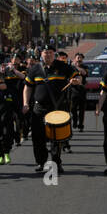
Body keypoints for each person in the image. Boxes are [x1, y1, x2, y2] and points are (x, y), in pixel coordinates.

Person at [23, 44, 78, 174]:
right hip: (39, 108)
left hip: (57, 108)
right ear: (41, 54)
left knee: (56, 137)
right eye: (45, 52)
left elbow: (76, 76)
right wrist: (25, 103)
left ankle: (56, 163)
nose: (47, 55)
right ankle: (41, 162)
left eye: (50, 52)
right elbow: (28, 87)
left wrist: (77, 80)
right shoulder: (35, 69)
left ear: (54, 54)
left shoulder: (63, 67)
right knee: (37, 137)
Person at [69, 52, 89, 132]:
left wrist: (76, 66)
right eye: (78, 57)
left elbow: (84, 73)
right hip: (73, 89)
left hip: (82, 89)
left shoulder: (84, 67)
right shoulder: (71, 67)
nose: (79, 59)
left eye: (81, 58)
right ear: (75, 58)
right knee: (73, 108)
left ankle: (81, 125)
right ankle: (75, 119)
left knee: (82, 109)